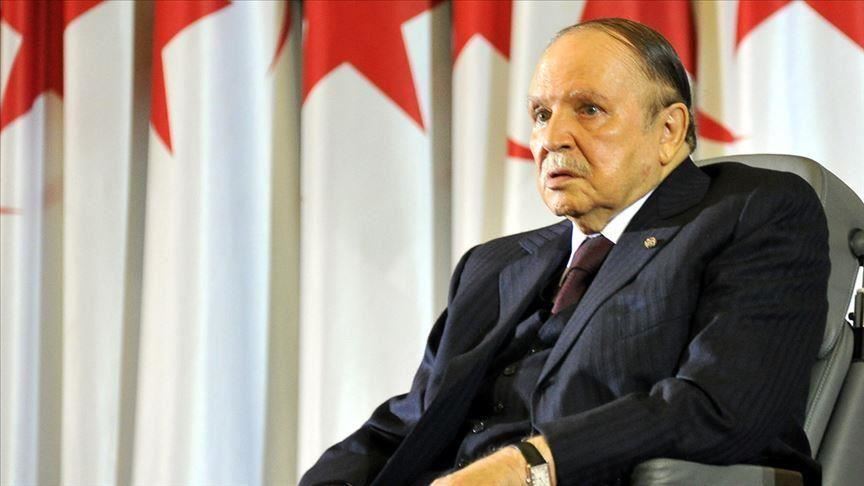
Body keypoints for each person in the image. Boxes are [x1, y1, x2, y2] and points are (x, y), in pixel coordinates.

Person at [300, 18, 829, 486]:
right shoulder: (493, 265)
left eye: (589, 109)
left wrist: (530, 465)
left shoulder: (751, 212)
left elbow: (722, 406)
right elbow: (411, 421)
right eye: (540, 114)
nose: (552, 137)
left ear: (669, 130)